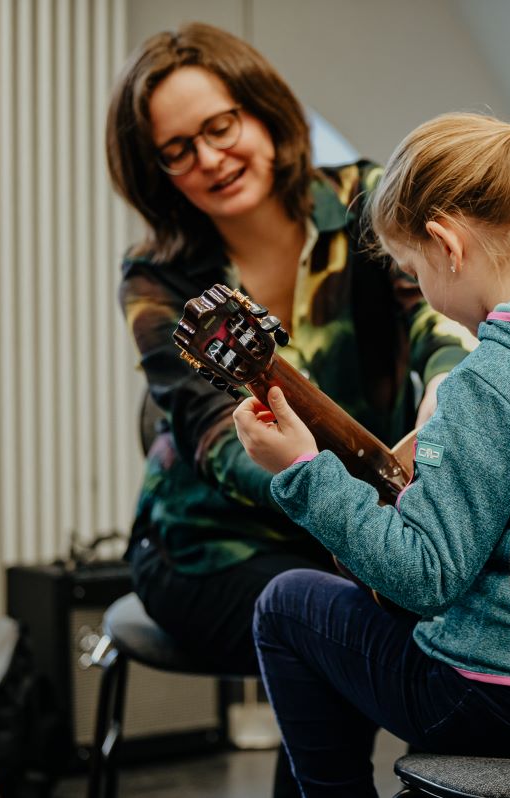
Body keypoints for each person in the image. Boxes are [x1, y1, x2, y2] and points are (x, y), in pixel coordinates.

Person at [234, 112, 510, 797]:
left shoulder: (486, 384)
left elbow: (425, 576)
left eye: (412, 271)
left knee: (289, 606)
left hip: (508, 707)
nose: (422, 291)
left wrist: (301, 470)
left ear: (445, 246)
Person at [105, 23, 472, 796]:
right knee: (336, 618)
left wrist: (449, 379)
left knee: (373, 604)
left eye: (220, 125)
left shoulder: (368, 199)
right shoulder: (154, 278)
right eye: (178, 150)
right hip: (206, 549)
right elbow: (214, 439)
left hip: (347, 526)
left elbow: (437, 312)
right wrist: (336, 504)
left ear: (264, 113)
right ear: (157, 170)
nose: (208, 158)